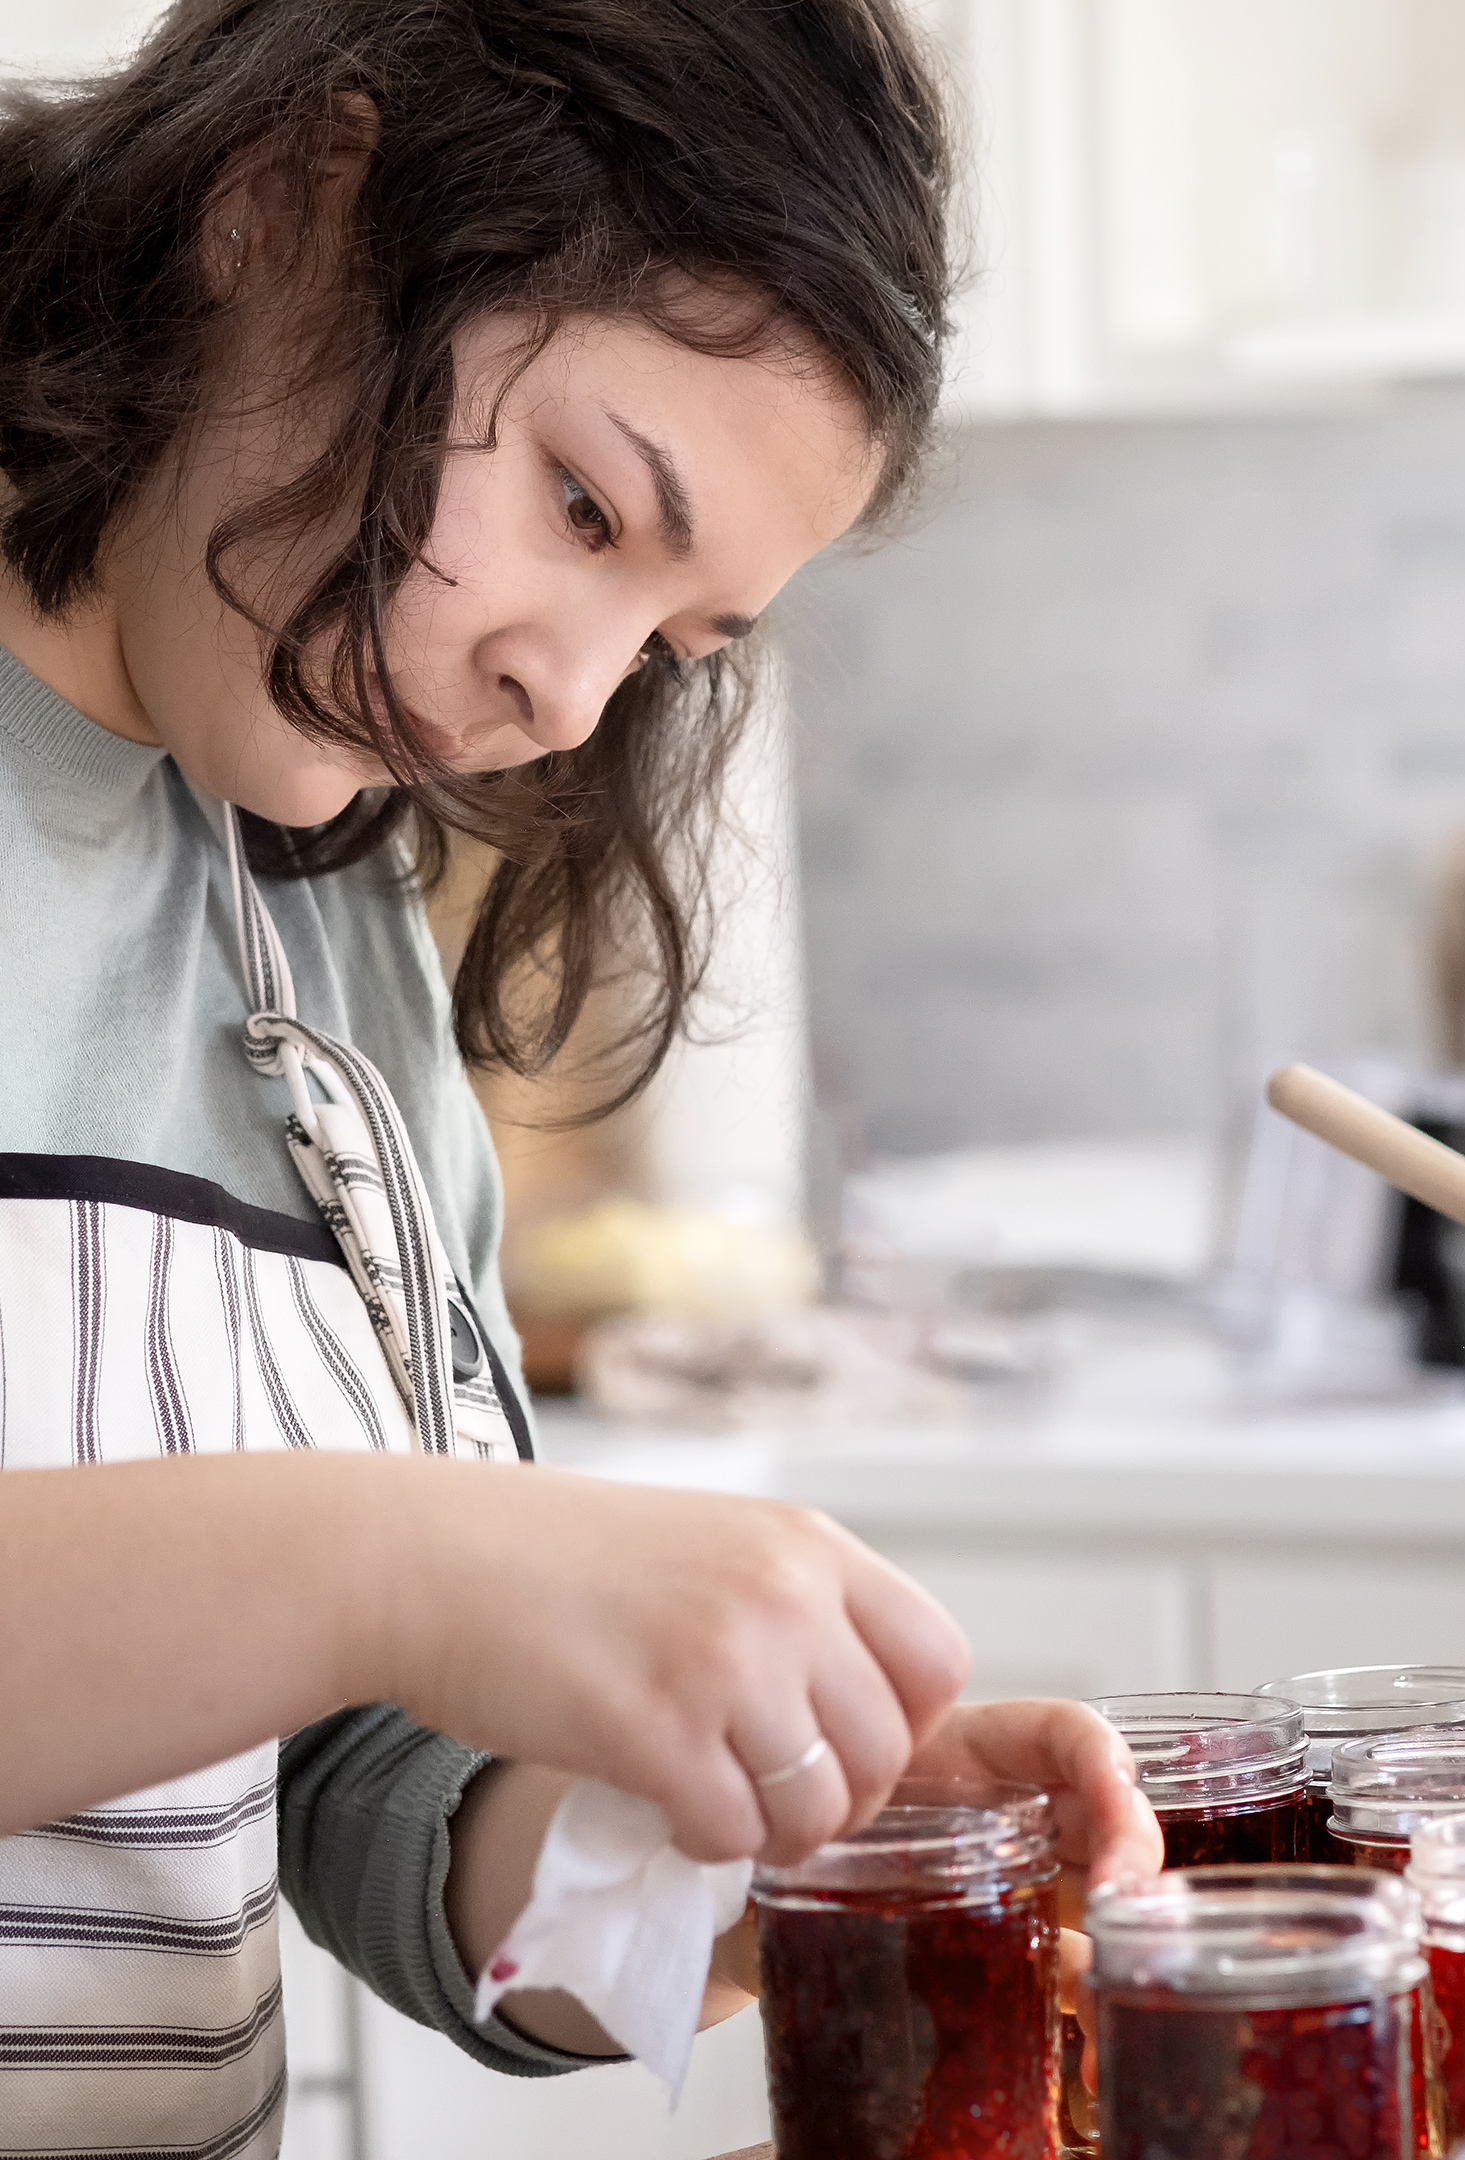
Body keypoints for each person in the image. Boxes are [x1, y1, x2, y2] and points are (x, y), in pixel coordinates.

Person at [0, 1, 1160, 2150]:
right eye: (582, 507)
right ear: (296, 199)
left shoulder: (315, 945)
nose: (562, 693)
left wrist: (721, 1845)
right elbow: (372, 1595)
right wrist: (403, 1562)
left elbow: (359, 1777)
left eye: (671, 641)